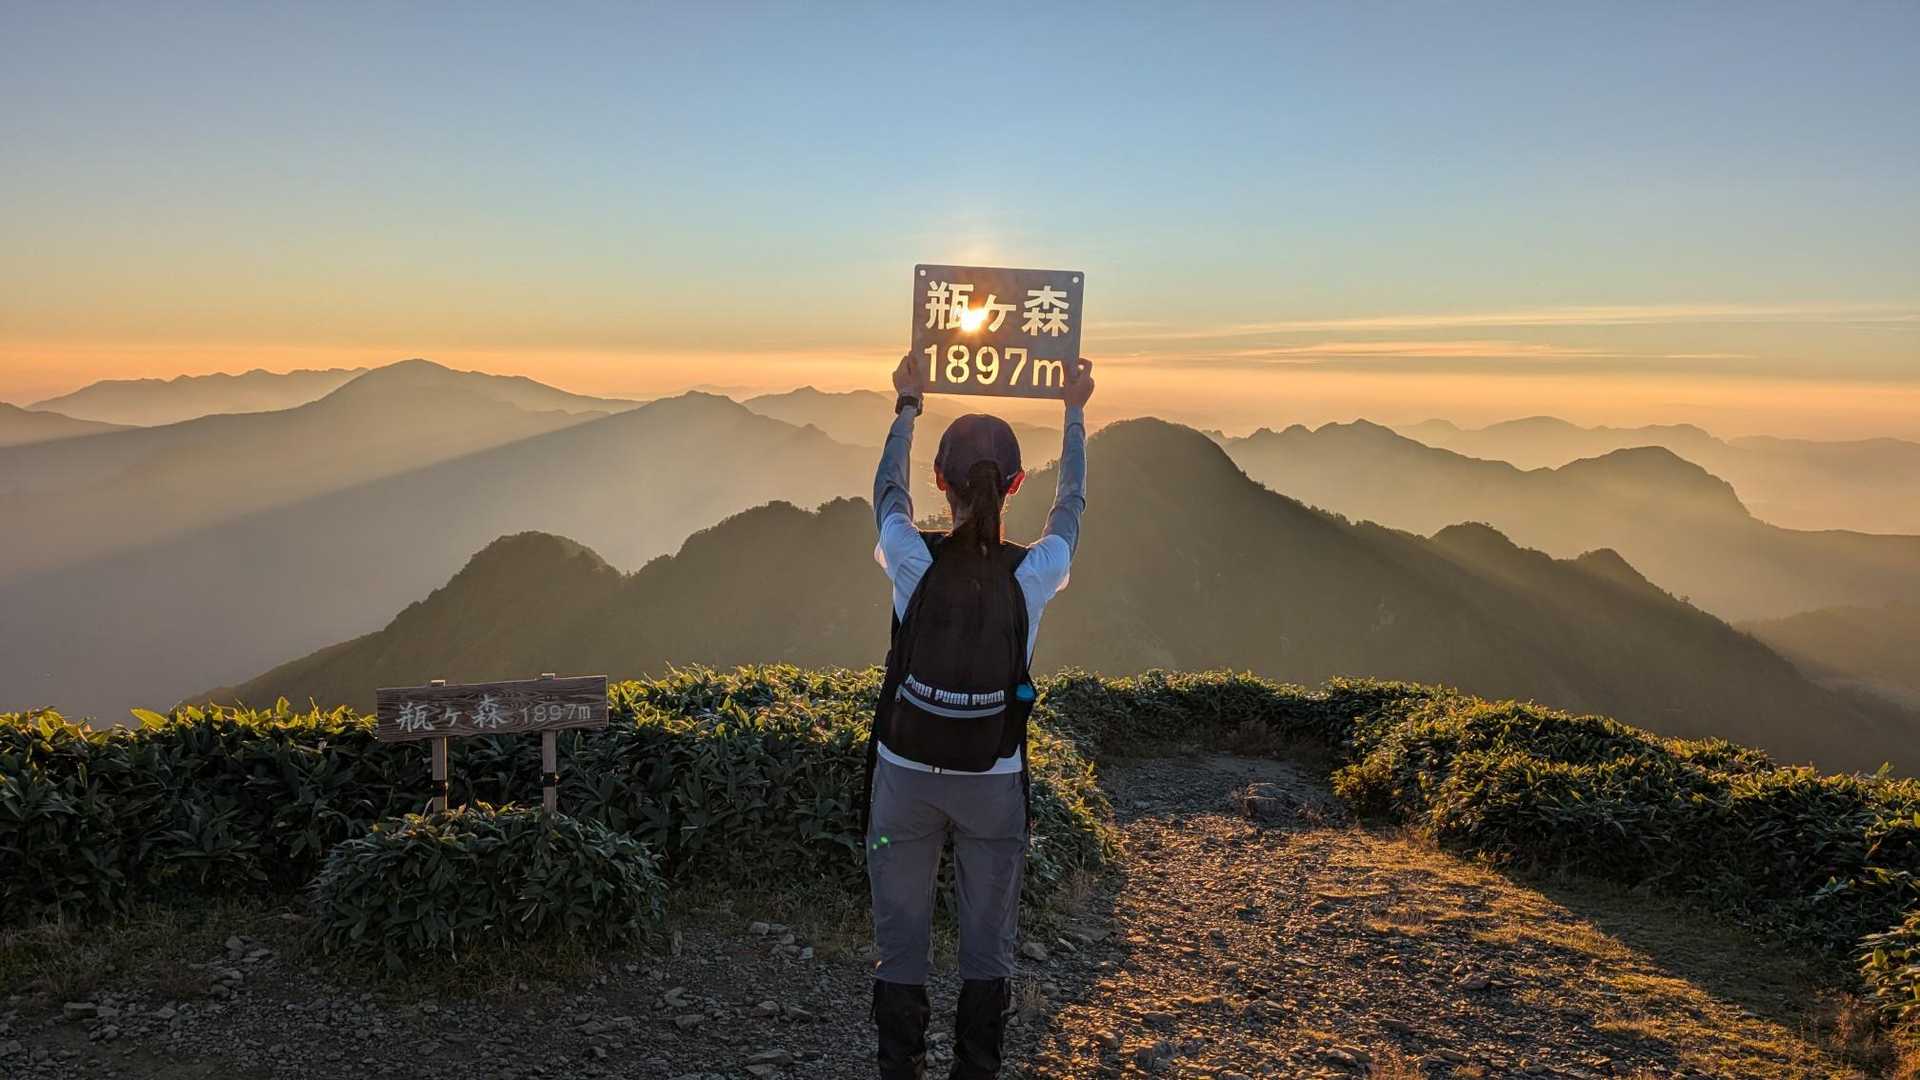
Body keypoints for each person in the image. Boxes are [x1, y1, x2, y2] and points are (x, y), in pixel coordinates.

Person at [864, 350, 1095, 1079]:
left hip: (905, 774)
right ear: (1016, 484)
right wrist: (1075, 410)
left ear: (942, 480)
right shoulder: (1034, 573)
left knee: (901, 941)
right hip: (994, 778)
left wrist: (907, 405)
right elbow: (1071, 510)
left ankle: (900, 1068)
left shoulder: (912, 560)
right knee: (987, 945)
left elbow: (887, 495)